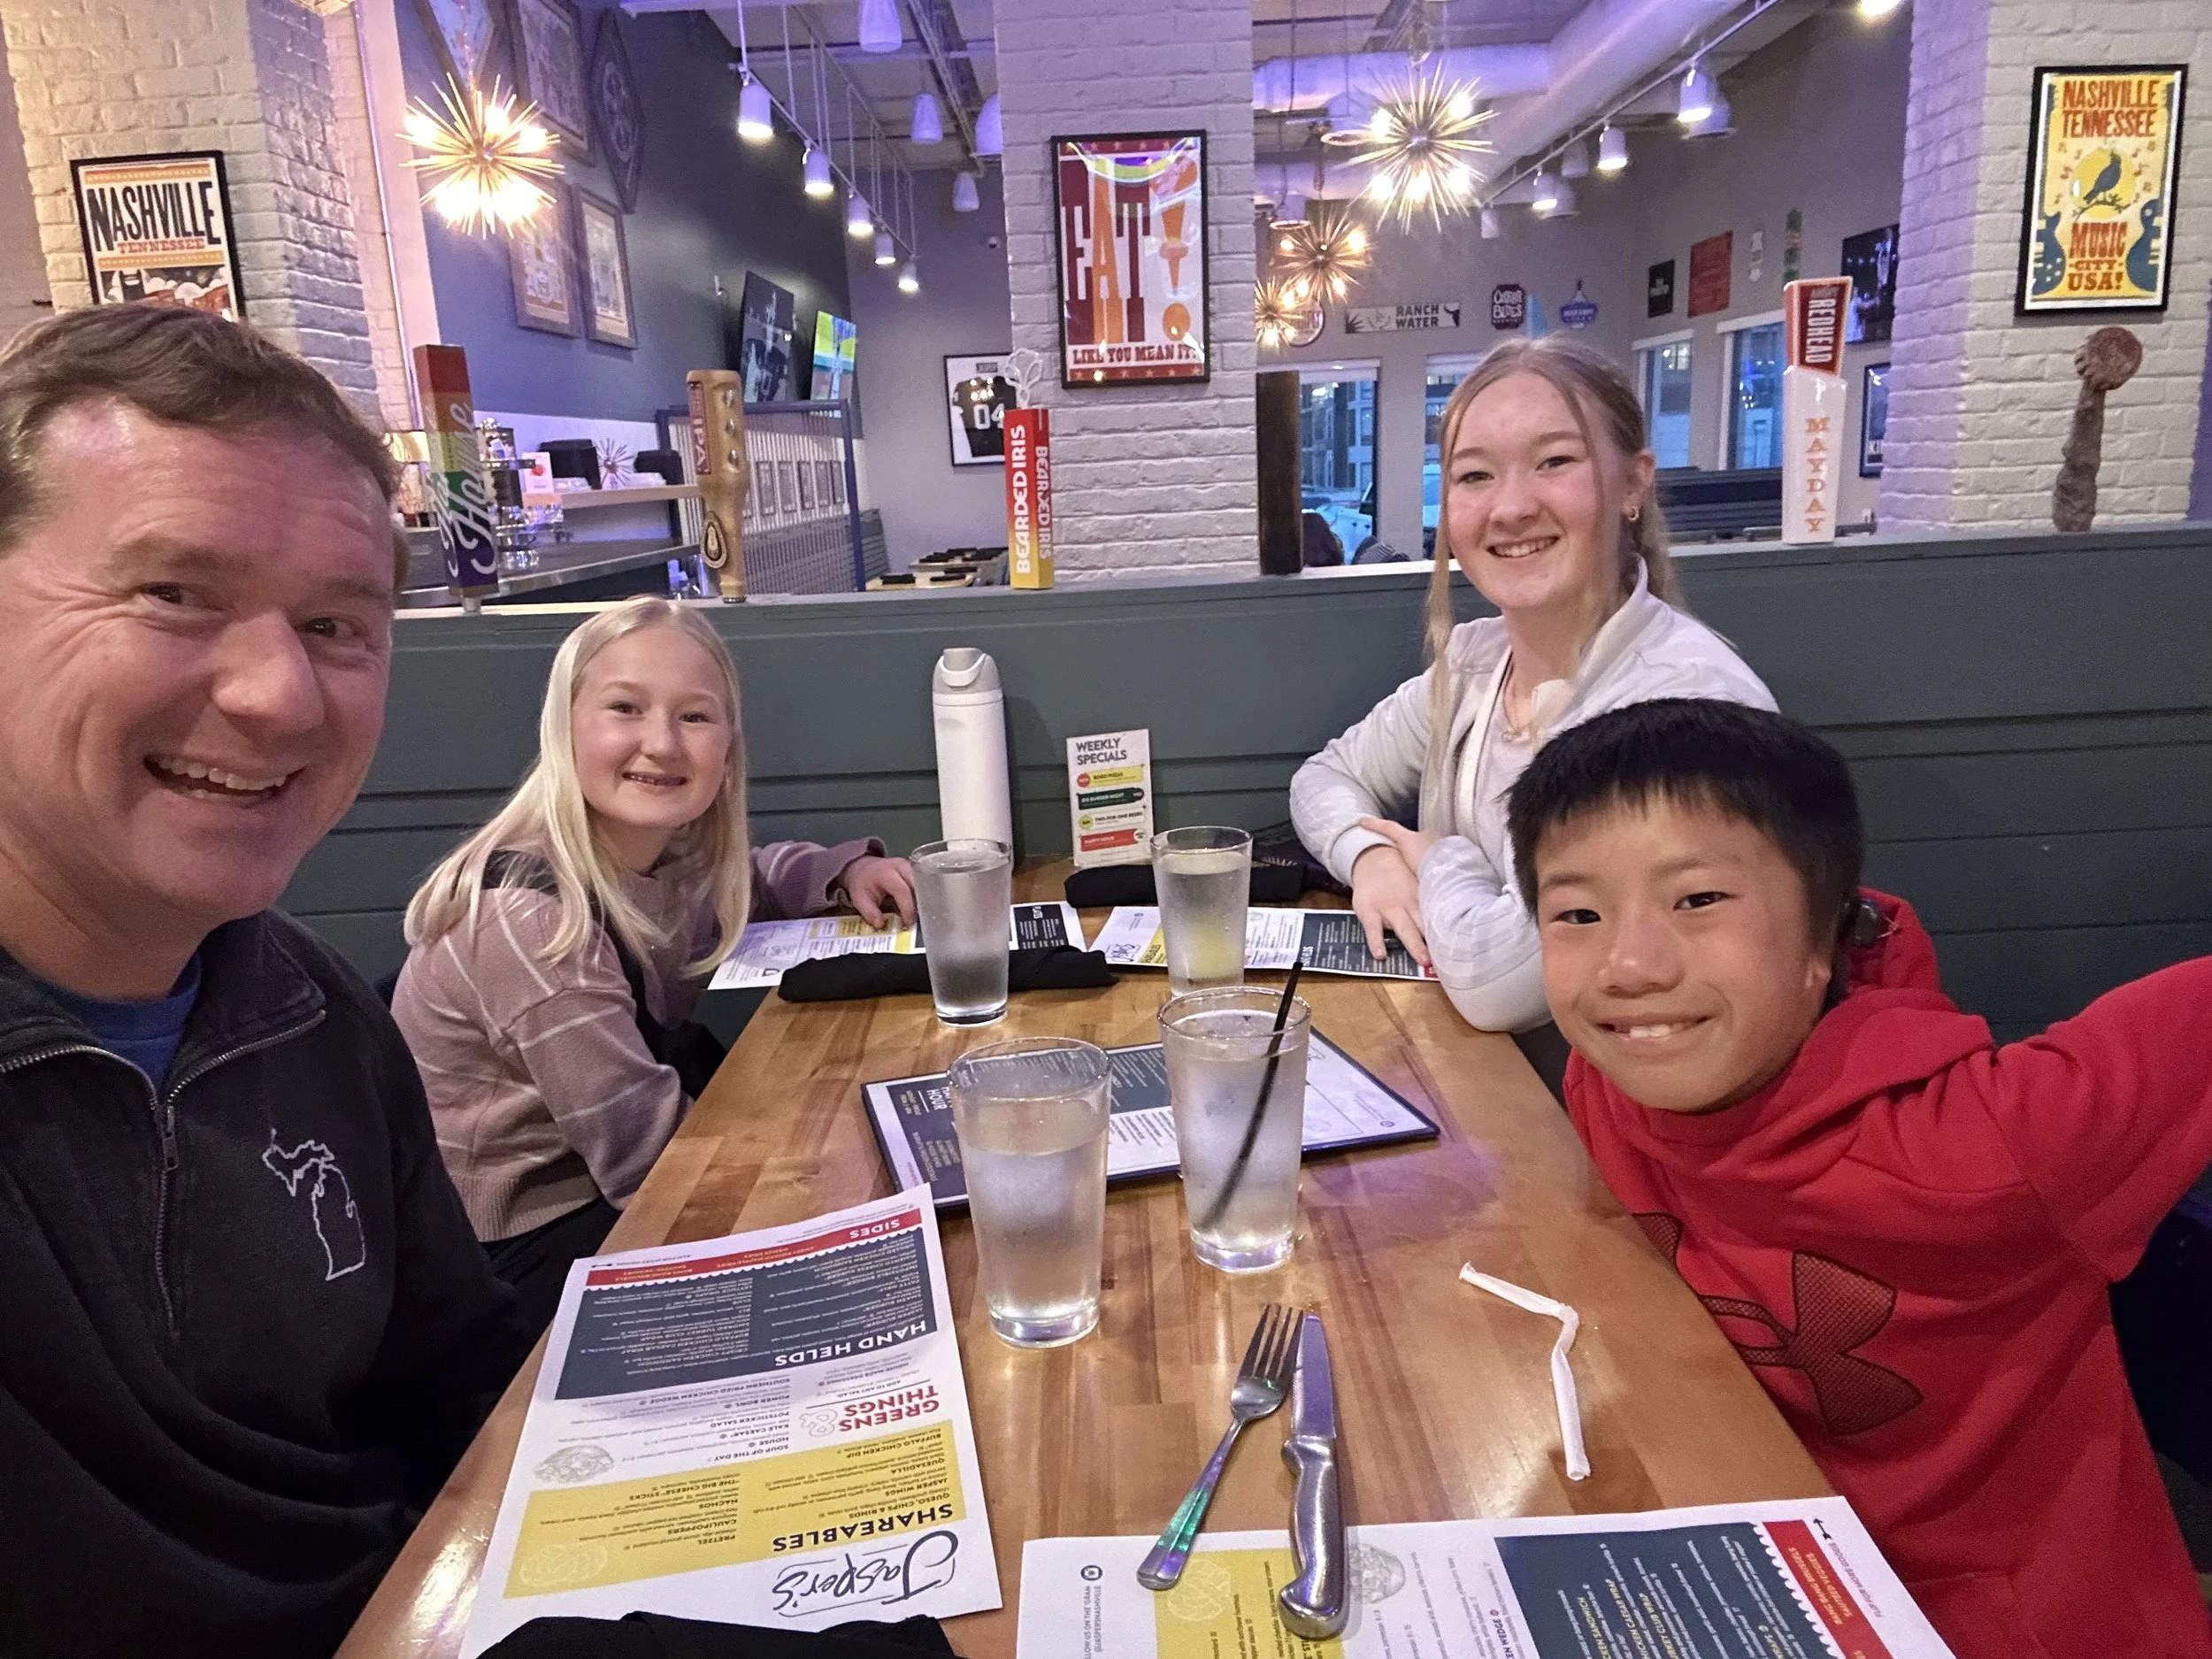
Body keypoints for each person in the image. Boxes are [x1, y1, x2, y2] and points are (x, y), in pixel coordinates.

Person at [0, 305, 528, 1657]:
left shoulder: (310, 1005)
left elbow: (465, 1394)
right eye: (173, 592)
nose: (282, 696)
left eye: (337, 623)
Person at [1506, 697, 2212, 1658]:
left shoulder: (1992, 1146)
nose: (1628, 966)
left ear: (1823, 940)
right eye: (1577, 914)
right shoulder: (1611, 1081)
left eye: (1698, 900)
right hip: (1750, 1566)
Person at [392, 598, 914, 1329]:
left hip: (614, 1183)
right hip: (514, 1254)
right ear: (564, 727)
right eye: (625, 708)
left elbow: (752, 876)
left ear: (727, 752)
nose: (662, 743)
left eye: (694, 716)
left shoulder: (665, 855)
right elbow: (651, 1167)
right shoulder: (532, 924)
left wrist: (844, 870)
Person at [1290, 336, 1775, 1045]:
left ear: (1634, 483)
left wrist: (1437, 858)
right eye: (1475, 475)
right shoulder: (1476, 662)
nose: (1511, 507)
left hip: (1625, 1104)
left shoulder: (1682, 709)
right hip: (1485, 1078)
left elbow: (1495, 982)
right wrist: (1373, 858)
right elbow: (1326, 777)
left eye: (1555, 461)